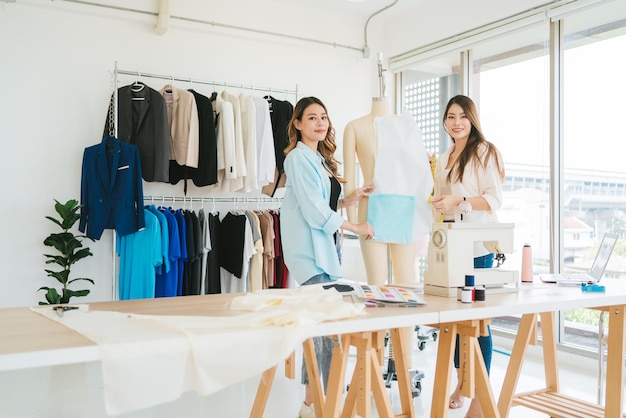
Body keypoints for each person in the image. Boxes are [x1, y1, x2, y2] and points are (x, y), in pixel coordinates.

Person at [280, 96, 375, 418]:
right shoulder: (297, 158)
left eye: (323, 117)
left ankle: (312, 403)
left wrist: (351, 198)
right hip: (309, 254)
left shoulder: (318, 159)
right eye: (311, 118)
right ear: (297, 124)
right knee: (327, 331)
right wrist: (357, 227)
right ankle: (324, 403)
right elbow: (312, 210)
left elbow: (324, 203)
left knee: (320, 330)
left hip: (324, 251)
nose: (320, 123)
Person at [431, 94, 505, 418]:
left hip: (477, 248)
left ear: (472, 118)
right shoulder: (446, 154)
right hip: (451, 247)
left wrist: (457, 198)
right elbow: (441, 198)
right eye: (450, 116)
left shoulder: (484, 151)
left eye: (462, 116)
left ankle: (480, 396)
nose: (456, 122)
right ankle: (464, 383)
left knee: (478, 322)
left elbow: (493, 200)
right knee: (458, 320)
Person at [343, 96, 431, 370]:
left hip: (405, 210)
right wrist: (352, 222)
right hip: (371, 214)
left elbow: (420, 173)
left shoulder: (408, 126)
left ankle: (404, 361)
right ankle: (374, 361)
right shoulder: (355, 127)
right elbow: (348, 177)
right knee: (375, 290)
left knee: (407, 287)